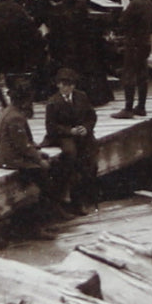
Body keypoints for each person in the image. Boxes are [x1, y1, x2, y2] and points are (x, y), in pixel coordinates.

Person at [0, 80, 65, 233]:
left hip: (8, 156)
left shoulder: (9, 111)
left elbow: (23, 143)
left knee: (49, 169)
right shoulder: (15, 118)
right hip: (10, 160)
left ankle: (52, 213)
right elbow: (23, 147)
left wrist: (37, 152)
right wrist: (39, 159)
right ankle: (38, 225)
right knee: (44, 178)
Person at [43, 68, 99, 214]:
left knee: (91, 160)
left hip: (82, 134)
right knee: (71, 155)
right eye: (64, 84)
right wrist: (69, 131)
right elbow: (51, 127)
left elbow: (91, 116)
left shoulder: (82, 97)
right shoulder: (53, 102)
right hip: (63, 136)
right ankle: (72, 198)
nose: (67, 88)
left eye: (70, 84)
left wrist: (86, 128)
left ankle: (89, 197)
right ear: (58, 85)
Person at [113, 0, 152, 118]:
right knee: (142, 74)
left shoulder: (135, 4)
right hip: (145, 42)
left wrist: (125, 2)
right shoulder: (148, 3)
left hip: (133, 43)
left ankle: (128, 108)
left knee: (129, 74)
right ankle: (141, 106)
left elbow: (122, 21)